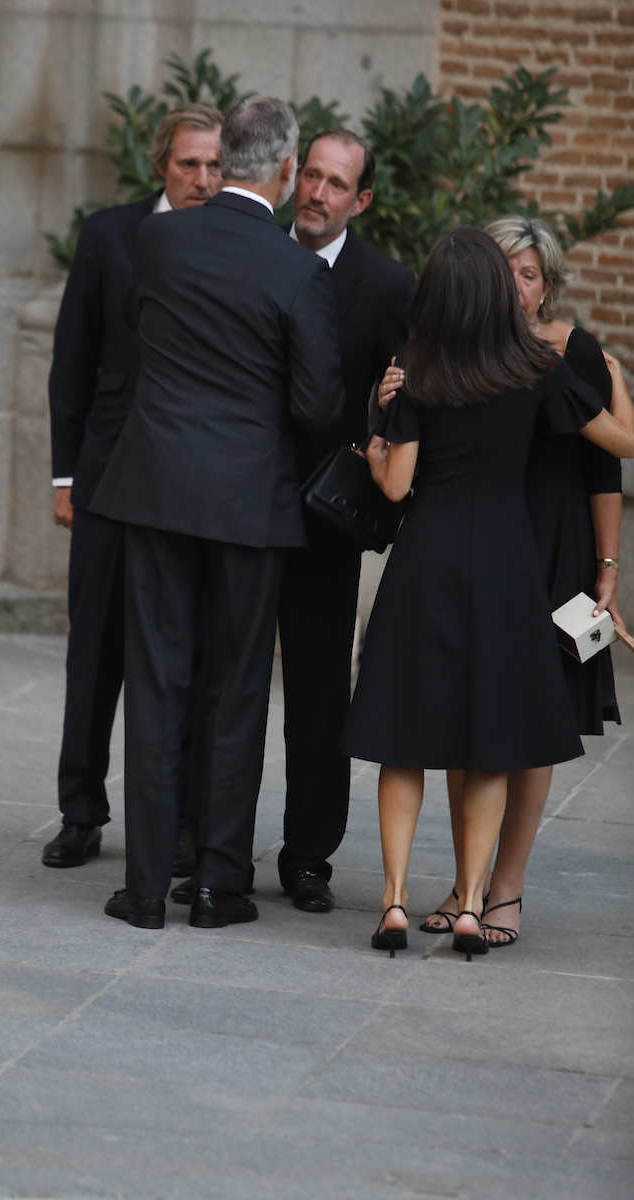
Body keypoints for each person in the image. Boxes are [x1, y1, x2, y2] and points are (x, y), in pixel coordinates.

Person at [343, 226, 634, 960]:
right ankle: (474, 904)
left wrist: (377, 449)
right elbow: (620, 445)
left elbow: (399, 486)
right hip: (510, 563)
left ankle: (396, 902)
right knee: (495, 743)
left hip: (428, 561)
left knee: (407, 740)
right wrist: (614, 377)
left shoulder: (418, 371)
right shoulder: (538, 368)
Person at [90, 96, 345, 930]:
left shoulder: (158, 238)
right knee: (236, 690)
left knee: (157, 682)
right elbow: (315, 404)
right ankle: (219, 889)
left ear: (223, 156)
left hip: (157, 488)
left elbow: (141, 324)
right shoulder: (298, 269)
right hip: (248, 499)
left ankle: (142, 889)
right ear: (282, 170)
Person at [42, 104, 222, 870]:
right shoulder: (109, 235)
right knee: (96, 654)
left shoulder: (235, 245)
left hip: (194, 489)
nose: (204, 180)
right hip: (109, 480)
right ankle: (80, 811)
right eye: (189, 164)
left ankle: (180, 818)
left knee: (184, 654)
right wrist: (65, 475)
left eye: (216, 166)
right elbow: (71, 361)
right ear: (162, 165)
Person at [276, 129, 414, 914]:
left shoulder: (388, 285)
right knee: (224, 686)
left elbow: (404, 408)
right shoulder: (258, 253)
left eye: (337, 185)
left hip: (326, 522)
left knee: (320, 699)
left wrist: (383, 427)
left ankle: (307, 858)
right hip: (243, 508)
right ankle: (213, 845)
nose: (318, 194)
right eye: (312, 177)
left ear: (360, 201)